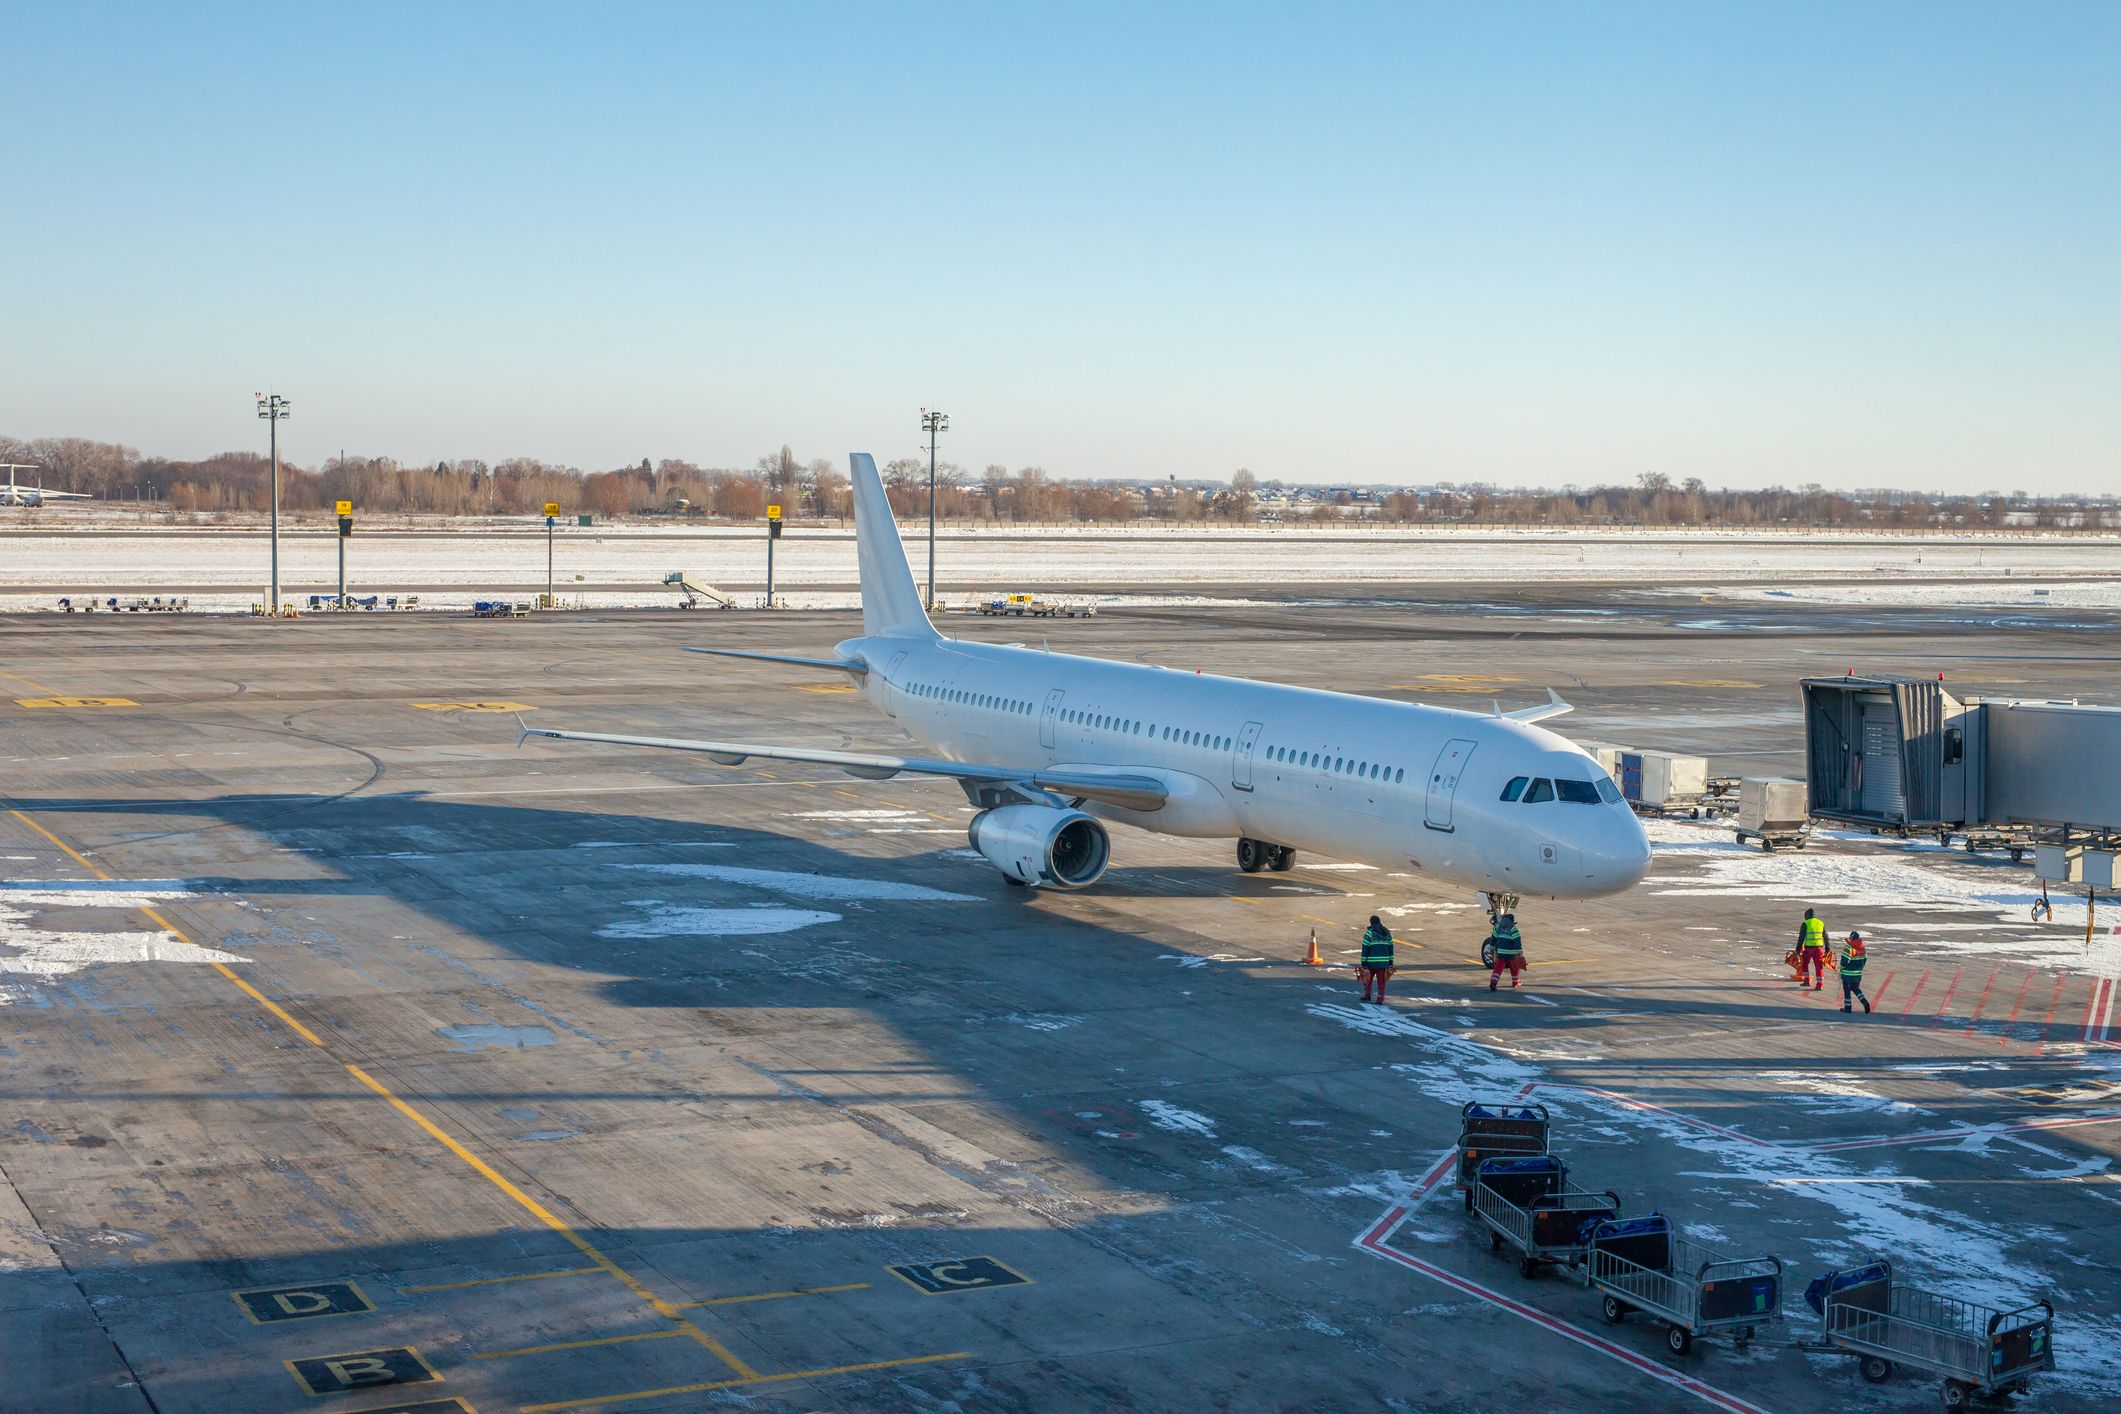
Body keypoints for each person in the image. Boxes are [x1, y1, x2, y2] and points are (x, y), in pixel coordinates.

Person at [1359, 916, 1395, 1003]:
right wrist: (1390, 962)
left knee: (1368, 979)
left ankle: (1367, 996)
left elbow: (1365, 948)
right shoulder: (1387, 933)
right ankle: (1380, 999)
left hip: (1371, 962)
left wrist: (1363, 963)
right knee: (1381, 982)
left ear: (1371, 923)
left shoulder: (1369, 933)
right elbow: (1391, 948)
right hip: (1383, 963)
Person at [1488, 913, 1524, 991]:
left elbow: (1493, 939)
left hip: (1500, 952)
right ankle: (1516, 982)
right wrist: (1519, 953)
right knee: (1514, 968)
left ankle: (1493, 982)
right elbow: (1517, 942)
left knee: (1498, 969)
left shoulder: (1498, 928)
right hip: (1511, 954)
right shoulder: (1513, 930)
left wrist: (1491, 947)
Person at [1796, 908, 1828, 991]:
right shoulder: (1821, 923)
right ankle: (1820, 985)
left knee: (1804, 964)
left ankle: (1806, 981)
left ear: (1806, 916)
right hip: (1819, 948)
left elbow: (1801, 938)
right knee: (1819, 966)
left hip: (1808, 949)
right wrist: (1827, 947)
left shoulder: (1805, 923)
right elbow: (1825, 936)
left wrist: (1798, 949)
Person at [1839, 932, 1871, 1014]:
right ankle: (1864, 1001)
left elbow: (1844, 961)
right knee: (1855, 988)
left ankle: (1848, 1007)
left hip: (1847, 973)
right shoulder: (1862, 948)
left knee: (1847, 990)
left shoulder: (1849, 947)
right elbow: (1864, 960)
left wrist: (1841, 969)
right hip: (1857, 974)